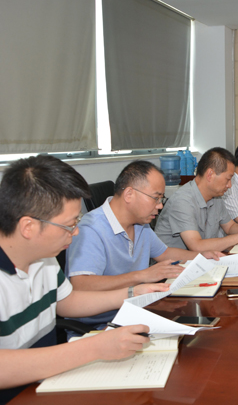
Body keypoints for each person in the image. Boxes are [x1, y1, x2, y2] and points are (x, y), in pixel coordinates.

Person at [0, 155, 168, 401]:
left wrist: (132, 293)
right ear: (28, 227)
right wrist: (95, 347)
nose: (77, 231)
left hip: (46, 382)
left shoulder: (44, 258)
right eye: (69, 225)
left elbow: (67, 302)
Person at [66, 161, 223, 329]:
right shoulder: (91, 229)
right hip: (101, 326)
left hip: (138, 313)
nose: (160, 205)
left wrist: (201, 256)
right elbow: (81, 284)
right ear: (129, 194)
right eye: (155, 198)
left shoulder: (140, 224)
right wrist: (141, 276)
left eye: (161, 199)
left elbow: (164, 253)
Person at [155, 147, 238, 252]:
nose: (229, 185)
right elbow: (197, 246)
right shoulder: (182, 201)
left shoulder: (217, 196)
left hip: (203, 259)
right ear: (210, 174)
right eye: (228, 179)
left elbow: (230, 227)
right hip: (175, 263)